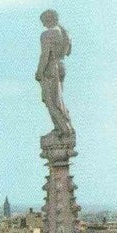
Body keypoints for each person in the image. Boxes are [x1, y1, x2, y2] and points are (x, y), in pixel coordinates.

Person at [35, 9, 73, 138]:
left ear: (48, 19)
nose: (43, 24)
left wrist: (39, 72)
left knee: (51, 100)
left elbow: (45, 55)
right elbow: (68, 52)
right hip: (61, 66)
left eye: (43, 21)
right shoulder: (65, 33)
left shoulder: (47, 34)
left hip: (50, 68)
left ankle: (64, 129)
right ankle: (61, 127)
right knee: (58, 99)